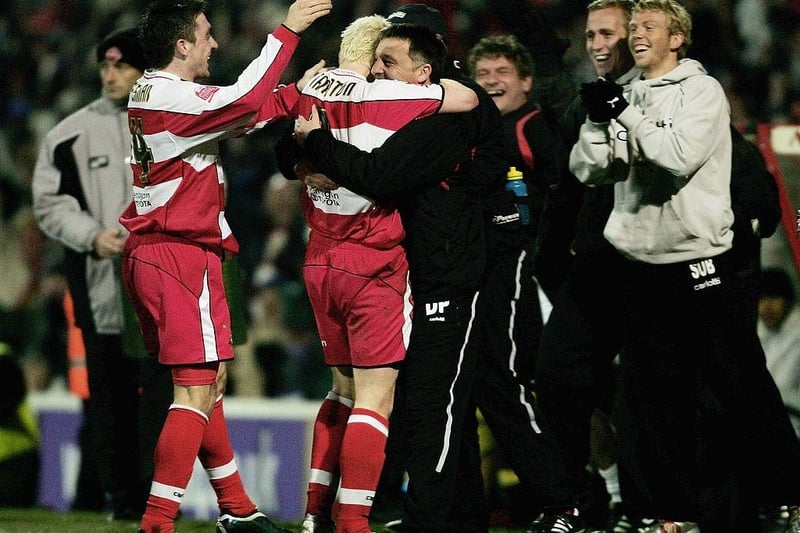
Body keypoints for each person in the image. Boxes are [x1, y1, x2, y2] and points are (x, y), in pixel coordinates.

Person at [293, 14, 582, 533]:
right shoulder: (397, 104)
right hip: (417, 269)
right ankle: (456, 512)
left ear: (427, 67)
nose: (376, 72)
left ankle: (553, 503)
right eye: (375, 59)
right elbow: (289, 143)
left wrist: (318, 145)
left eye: (388, 60)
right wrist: (303, 146)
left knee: (463, 390)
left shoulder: (450, 115)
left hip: (466, 268)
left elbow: (382, 172)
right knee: (442, 395)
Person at [569, 0, 800, 530]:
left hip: (701, 262)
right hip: (640, 264)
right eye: (635, 28)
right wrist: (598, 122)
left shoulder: (703, 90)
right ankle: (671, 514)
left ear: (677, 38)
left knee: (738, 386)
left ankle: (785, 495)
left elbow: (676, 157)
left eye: (648, 26)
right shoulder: (624, 93)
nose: (637, 34)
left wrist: (624, 113)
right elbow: (590, 170)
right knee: (653, 396)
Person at [118, 1, 332, 532]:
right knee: (194, 389)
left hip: (165, 253)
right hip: (179, 255)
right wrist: (287, 33)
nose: (214, 44)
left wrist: (299, 90)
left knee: (206, 383)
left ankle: (237, 508)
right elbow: (244, 100)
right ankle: (157, 521)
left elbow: (242, 116)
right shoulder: (168, 94)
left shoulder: (159, 94)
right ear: (182, 46)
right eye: (206, 36)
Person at [267, 15, 478, 533]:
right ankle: (354, 521)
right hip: (372, 261)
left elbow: (274, 130)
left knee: (338, 391)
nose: (385, 69)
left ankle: (314, 515)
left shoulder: (312, 87)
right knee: (374, 400)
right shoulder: (387, 97)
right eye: (382, 59)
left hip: (319, 258)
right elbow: (466, 99)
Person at [464, 33, 586, 532]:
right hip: (492, 267)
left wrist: (547, 246)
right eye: (484, 74)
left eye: (502, 73)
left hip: (530, 272)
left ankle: (575, 499)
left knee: (515, 384)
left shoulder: (531, 127)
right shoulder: (477, 131)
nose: (492, 81)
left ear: (527, 82)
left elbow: (564, 187)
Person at [31, 28, 152, 520]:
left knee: (162, 396)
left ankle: (157, 499)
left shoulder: (175, 122)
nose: (110, 75)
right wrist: (91, 235)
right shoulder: (69, 134)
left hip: (163, 282)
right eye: (105, 66)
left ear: (146, 69)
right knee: (110, 395)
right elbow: (48, 202)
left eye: (122, 66)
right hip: (100, 281)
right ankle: (123, 501)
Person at [758, 267, 800, 438]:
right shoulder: (758, 332)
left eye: (774, 298)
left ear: (788, 301)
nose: (767, 306)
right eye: (762, 299)